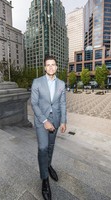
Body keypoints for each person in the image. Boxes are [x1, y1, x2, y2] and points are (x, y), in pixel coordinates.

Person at [31, 56, 67, 200]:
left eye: (53, 65)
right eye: (48, 65)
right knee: (42, 148)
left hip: (56, 119)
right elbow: (34, 104)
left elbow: (63, 103)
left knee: (51, 146)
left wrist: (63, 121)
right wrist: (45, 121)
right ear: (45, 67)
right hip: (41, 120)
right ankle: (45, 180)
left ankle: (49, 165)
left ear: (56, 67)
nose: (51, 67)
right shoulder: (37, 82)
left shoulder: (61, 84)